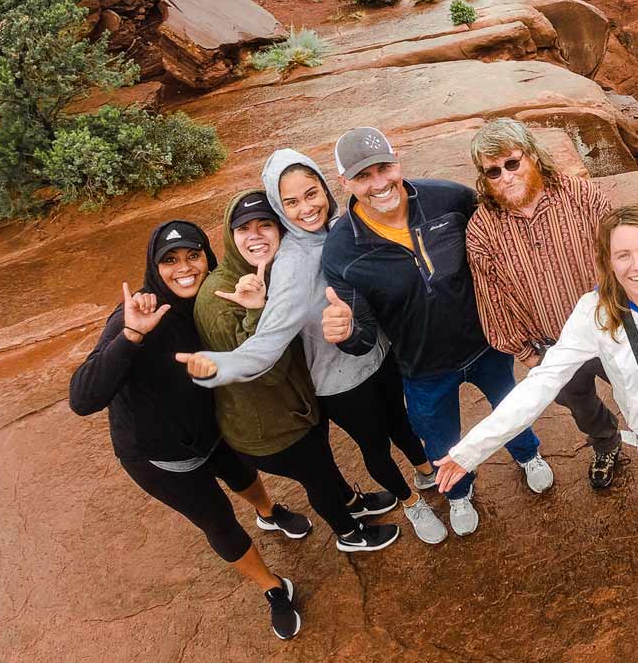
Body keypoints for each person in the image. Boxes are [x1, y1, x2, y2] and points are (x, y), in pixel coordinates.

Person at [434, 205, 638, 580]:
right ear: (606, 261)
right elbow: (540, 384)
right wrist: (471, 450)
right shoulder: (593, 315)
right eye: (623, 255)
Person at [175, 151, 448, 545]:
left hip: (379, 354)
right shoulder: (291, 264)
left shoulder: (343, 227)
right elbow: (267, 342)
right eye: (291, 202)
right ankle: (410, 503)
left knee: (402, 424)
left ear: (325, 187)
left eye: (311, 193)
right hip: (341, 383)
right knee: (375, 447)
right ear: (281, 207)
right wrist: (221, 366)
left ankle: (425, 472)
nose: (307, 208)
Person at [69, 220, 307, 640]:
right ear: (153, 266)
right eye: (170, 260)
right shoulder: (137, 316)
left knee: (243, 476)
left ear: (207, 258)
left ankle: (270, 513)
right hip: (157, 457)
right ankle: (273, 588)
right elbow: (83, 398)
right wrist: (130, 336)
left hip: (209, 429)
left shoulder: (212, 300)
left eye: (193, 256)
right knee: (218, 521)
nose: (185, 268)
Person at [319, 127, 553, 537]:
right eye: (362, 176)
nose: (378, 183)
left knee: (510, 408)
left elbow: (503, 233)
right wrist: (346, 333)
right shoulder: (342, 250)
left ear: (398, 160)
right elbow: (364, 339)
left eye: (383, 168)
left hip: (485, 345)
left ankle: (527, 454)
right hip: (422, 367)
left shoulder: (449, 199)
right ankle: (459, 492)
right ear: (345, 183)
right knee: (439, 438)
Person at [195, 190, 398, 554]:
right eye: (244, 229)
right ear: (230, 234)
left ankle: (352, 501)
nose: (256, 235)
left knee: (324, 465)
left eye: (266, 225)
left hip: (299, 406)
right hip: (272, 425)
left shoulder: (274, 272)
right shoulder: (219, 299)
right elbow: (261, 373)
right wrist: (258, 311)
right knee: (317, 476)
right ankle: (349, 534)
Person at [464, 118, 624, 490]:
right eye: (493, 171)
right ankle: (606, 442)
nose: (505, 176)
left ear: (532, 155)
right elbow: (494, 298)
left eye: (512, 163)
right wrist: (528, 354)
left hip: (611, 328)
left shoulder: (583, 197)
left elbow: (622, 254)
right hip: (553, 347)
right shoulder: (482, 230)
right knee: (581, 405)